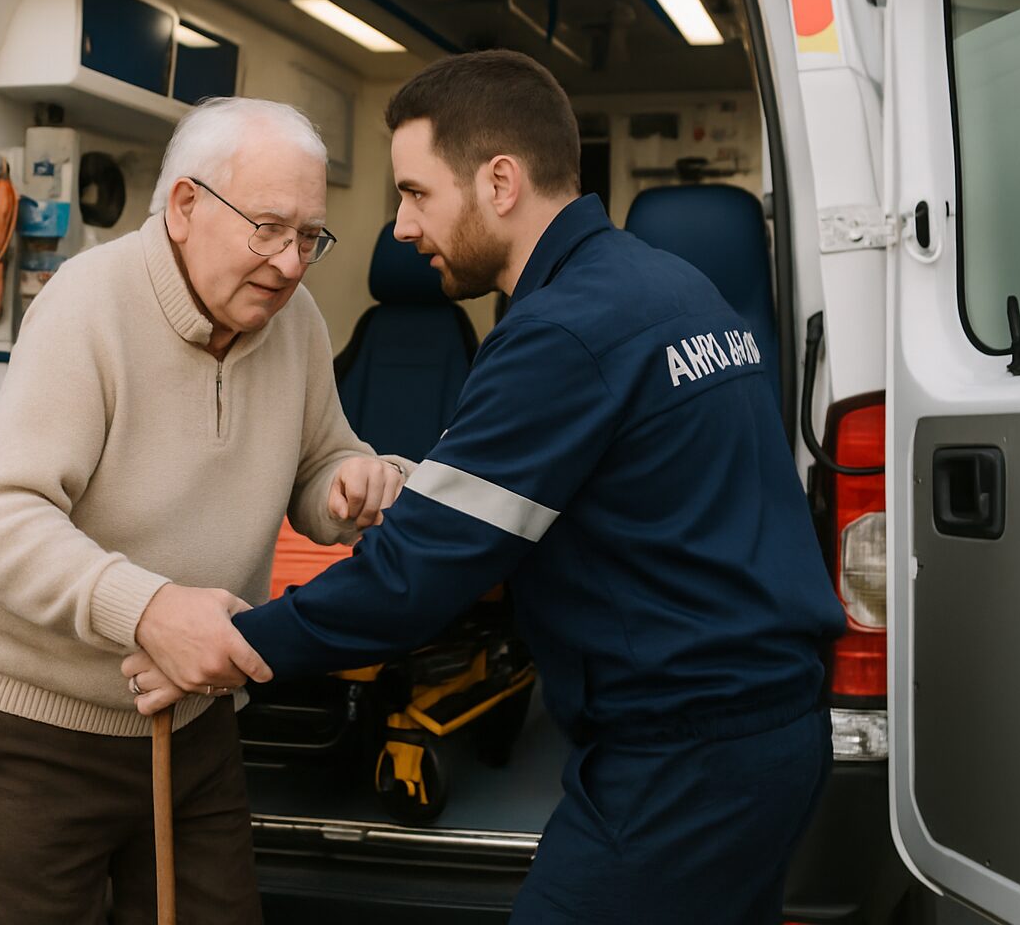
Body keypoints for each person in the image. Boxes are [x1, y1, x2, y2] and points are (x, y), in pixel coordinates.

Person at [125, 51, 848, 924]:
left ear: (500, 181)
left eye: (416, 192)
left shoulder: (562, 334)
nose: (399, 226)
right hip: (774, 733)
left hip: (683, 763)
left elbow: (415, 578)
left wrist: (233, 646)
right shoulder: (672, 289)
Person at [0, 96, 411, 924]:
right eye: (268, 228)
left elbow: (320, 455)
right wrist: (146, 610)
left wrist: (348, 482)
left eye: (308, 238)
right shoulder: (87, 304)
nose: (291, 264)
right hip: (27, 729)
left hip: (192, 719)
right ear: (185, 206)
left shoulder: (292, 317)